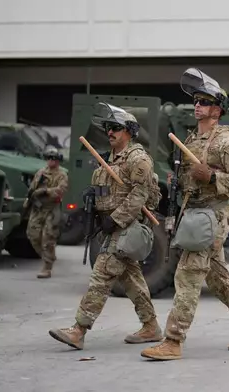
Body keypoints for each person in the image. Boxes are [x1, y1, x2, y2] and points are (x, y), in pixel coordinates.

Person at [141, 68, 229, 361]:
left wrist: (212, 178)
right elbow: (188, 178)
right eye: (196, 100)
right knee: (218, 279)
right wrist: (178, 180)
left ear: (217, 110)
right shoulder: (191, 140)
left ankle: (172, 340)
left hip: (213, 216)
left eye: (204, 102)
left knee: (187, 275)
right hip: (193, 214)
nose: (198, 105)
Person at [48, 103, 162, 350]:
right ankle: (151, 327)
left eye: (116, 128)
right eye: (108, 128)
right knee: (131, 279)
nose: (110, 132)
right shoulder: (108, 159)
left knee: (101, 275)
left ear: (129, 131)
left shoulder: (138, 159)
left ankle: (78, 330)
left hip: (127, 227)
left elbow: (139, 195)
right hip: (111, 227)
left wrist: (115, 219)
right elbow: (109, 193)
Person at [25, 145, 68, 278]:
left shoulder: (61, 174)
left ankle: (47, 266)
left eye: (54, 158)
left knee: (48, 238)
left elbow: (60, 191)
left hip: (51, 208)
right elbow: (32, 189)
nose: (51, 161)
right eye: (49, 158)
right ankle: (47, 256)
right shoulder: (40, 172)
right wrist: (30, 199)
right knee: (32, 235)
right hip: (38, 208)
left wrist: (45, 191)